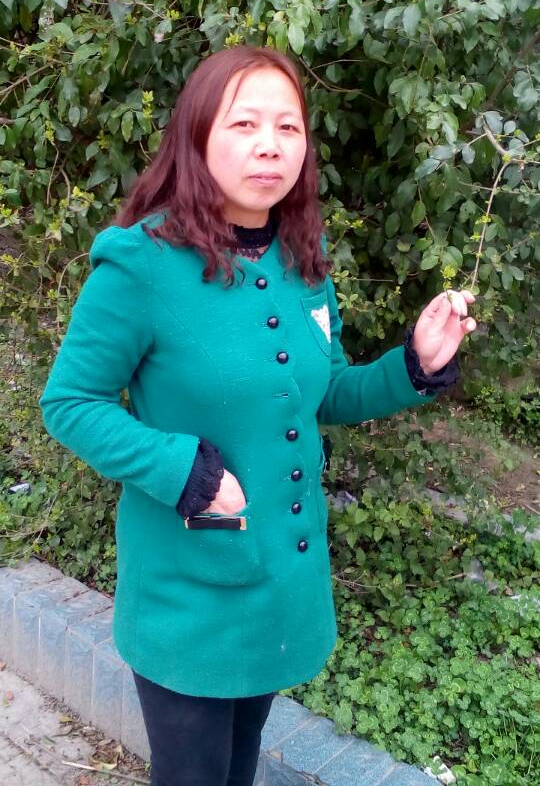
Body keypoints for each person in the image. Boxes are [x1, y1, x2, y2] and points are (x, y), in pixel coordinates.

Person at [39, 45, 477, 786]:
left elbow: (322, 392)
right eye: (244, 123)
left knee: (240, 769)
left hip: (279, 584)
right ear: (198, 136)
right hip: (189, 594)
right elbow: (70, 403)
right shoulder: (140, 265)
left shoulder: (303, 256)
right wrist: (184, 470)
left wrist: (414, 365)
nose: (270, 144)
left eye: (288, 126)